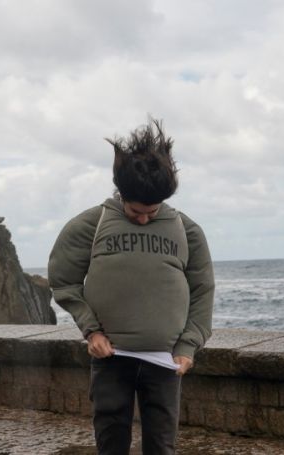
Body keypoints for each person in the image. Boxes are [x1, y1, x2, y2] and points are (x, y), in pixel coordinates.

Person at [48, 118, 214, 455]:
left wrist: (188, 346)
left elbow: (202, 290)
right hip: (111, 359)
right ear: (121, 193)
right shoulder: (89, 225)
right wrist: (91, 332)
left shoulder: (187, 230)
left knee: (161, 446)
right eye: (136, 211)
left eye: (152, 212)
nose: (143, 219)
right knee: (110, 442)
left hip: (165, 361)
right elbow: (64, 282)